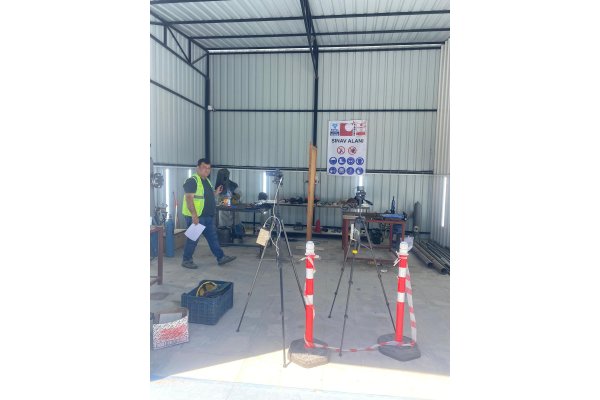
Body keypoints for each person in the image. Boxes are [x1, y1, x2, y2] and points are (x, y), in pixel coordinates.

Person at [181, 158, 236, 269]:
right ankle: (186, 260)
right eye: (204, 167)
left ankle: (221, 257)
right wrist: (194, 216)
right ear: (198, 168)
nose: (206, 170)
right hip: (197, 217)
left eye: (208, 168)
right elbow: (189, 199)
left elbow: (206, 196)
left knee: (213, 238)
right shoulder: (192, 181)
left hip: (208, 217)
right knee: (192, 239)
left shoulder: (207, 181)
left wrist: (216, 192)